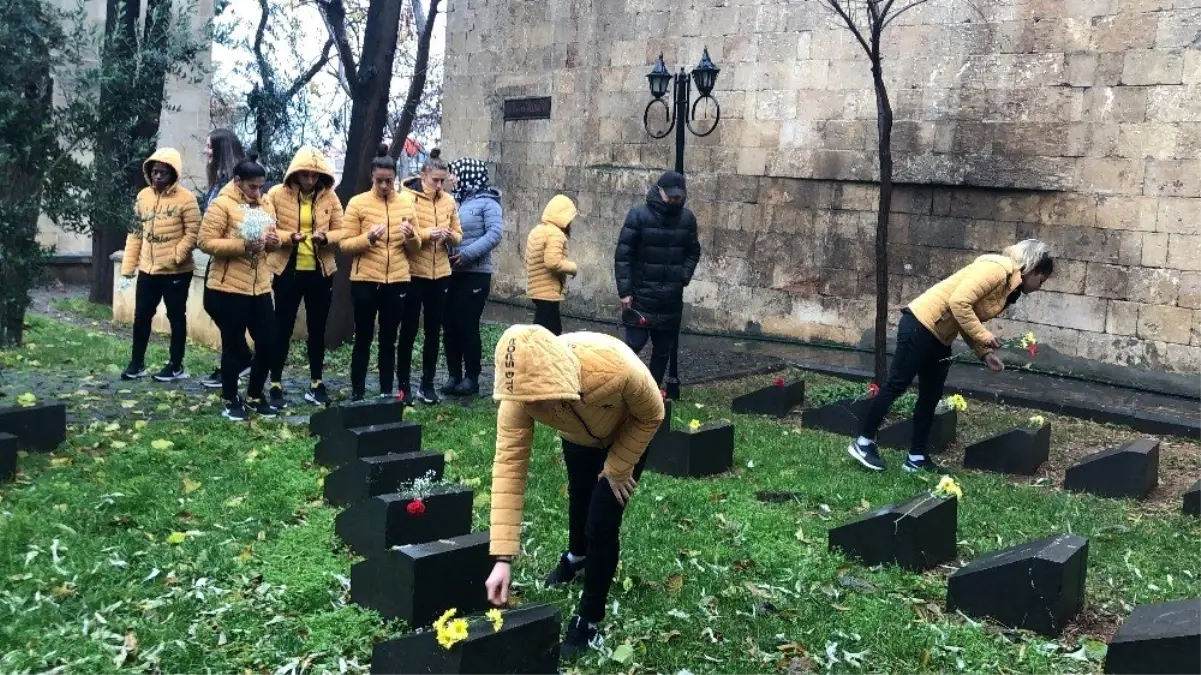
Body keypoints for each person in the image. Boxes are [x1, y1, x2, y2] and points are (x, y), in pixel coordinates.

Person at [483, 324, 664, 659]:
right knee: (580, 498)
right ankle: (576, 557)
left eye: (540, 399)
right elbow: (509, 466)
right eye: (527, 401)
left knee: (602, 520)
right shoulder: (518, 398)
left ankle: (590, 618)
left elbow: (653, 413)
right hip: (578, 437)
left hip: (627, 432)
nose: (533, 409)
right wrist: (502, 558)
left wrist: (617, 467)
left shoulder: (616, 369)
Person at [848, 239, 1055, 473]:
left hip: (940, 336)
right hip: (921, 324)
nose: (1040, 286)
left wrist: (983, 353)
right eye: (1042, 279)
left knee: (930, 395)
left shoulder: (1009, 286)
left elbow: (966, 317)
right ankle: (863, 442)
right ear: (1032, 268)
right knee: (897, 384)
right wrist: (983, 334)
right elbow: (959, 302)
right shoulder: (997, 269)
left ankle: (915, 458)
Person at [198, 157, 282, 421]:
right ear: (237, 182)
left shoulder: (266, 204)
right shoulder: (222, 205)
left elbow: (273, 240)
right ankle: (231, 398)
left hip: (260, 286)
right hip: (228, 287)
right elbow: (205, 242)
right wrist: (242, 245)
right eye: (252, 187)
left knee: (269, 344)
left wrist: (274, 241)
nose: (257, 192)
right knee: (233, 346)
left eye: (260, 186)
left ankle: (255, 395)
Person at [264, 146, 344, 408]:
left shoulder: (330, 198)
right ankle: (275, 381)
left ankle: (316, 382)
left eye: (314, 175)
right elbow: (269, 230)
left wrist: (326, 237)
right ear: (294, 174)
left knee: (317, 328)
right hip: (288, 270)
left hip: (320, 272)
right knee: (282, 327)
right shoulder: (276, 194)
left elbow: (342, 231)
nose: (310, 180)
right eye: (305, 175)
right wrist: (290, 237)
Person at [340, 144, 422, 402]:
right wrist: (368, 239)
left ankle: (387, 390)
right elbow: (345, 244)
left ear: (395, 178)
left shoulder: (407, 204)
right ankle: (358, 391)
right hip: (365, 280)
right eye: (379, 181)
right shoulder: (358, 204)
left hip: (397, 280)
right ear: (371, 178)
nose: (385, 186)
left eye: (388, 181)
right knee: (363, 337)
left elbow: (416, 246)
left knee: (389, 339)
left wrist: (411, 237)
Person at [614, 171, 702, 389]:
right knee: (633, 345)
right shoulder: (638, 215)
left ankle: (651, 393)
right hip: (642, 294)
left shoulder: (687, 219)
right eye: (670, 195)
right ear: (659, 191)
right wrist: (625, 291)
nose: (674, 199)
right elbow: (623, 254)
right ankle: (622, 386)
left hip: (670, 298)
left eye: (678, 196)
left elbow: (693, 252)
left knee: (663, 349)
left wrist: (683, 276)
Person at [119, 147, 201, 382]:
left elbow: (194, 232)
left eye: (163, 173)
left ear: (173, 174)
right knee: (141, 316)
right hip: (148, 269)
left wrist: (176, 255)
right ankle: (137, 363)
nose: (157, 177)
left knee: (176, 317)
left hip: (177, 271)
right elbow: (135, 232)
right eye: (154, 172)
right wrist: (128, 268)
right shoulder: (143, 196)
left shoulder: (187, 199)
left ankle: (176, 365)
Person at [397, 149, 462, 404]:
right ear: (424, 175)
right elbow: (404, 232)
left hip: (441, 272)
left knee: (434, 331)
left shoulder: (448, 201)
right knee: (409, 330)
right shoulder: (407, 198)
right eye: (434, 180)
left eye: (442, 181)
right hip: (414, 272)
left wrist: (449, 236)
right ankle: (404, 385)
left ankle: (428, 383)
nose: (438, 185)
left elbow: (459, 234)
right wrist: (427, 234)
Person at [441, 157, 503, 397]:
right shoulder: (455, 201)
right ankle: (453, 374)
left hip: (475, 273)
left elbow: (495, 234)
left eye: (455, 173)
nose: (451, 178)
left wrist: (467, 254)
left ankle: (472, 377)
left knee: (467, 324)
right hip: (451, 272)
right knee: (449, 324)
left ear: (469, 174)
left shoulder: (488, 203)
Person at [199, 129, 253, 390]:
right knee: (213, 305)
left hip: (237, 254)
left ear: (221, 150)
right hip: (218, 251)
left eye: (209, 147)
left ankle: (235, 362)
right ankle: (240, 357)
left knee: (226, 310)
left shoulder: (237, 184)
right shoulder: (217, 182)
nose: (205, 152)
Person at [524, 194, 579, 336]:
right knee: (548, 334)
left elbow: (527, 258)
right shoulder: (555, 234)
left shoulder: (537, 231)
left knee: (546, 329)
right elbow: (552, 262)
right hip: (548, 291)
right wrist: (572, 268)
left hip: (536, 289)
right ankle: (534, 356)